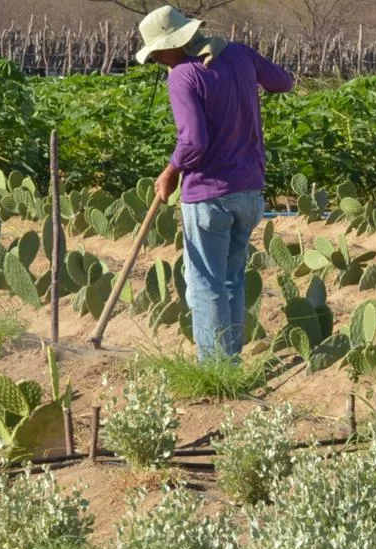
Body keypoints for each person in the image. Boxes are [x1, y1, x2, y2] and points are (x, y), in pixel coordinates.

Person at [135, 5, 295, 361]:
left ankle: (214, 369)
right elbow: (283, 82)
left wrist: (170, 171)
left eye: (159, 51)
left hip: (208, 195)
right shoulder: (238, 53)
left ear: (175, 43)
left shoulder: (182, 75)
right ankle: (231, 361)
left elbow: (193, 142)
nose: (159, 59)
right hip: (250, 192)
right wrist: (242, 71)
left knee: (206, 284)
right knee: (232, 279)